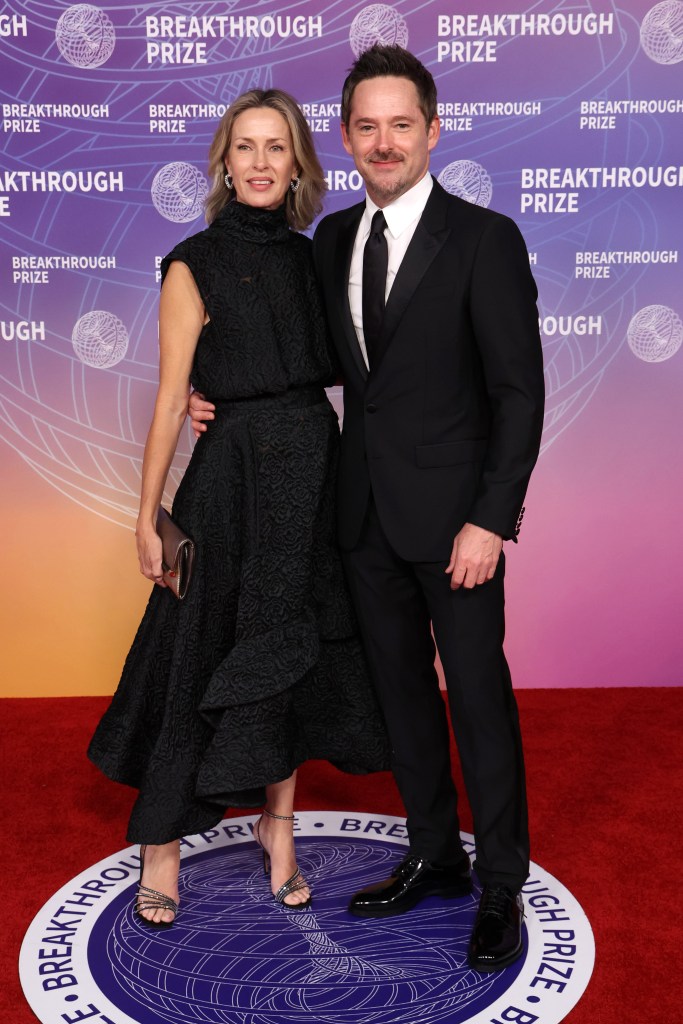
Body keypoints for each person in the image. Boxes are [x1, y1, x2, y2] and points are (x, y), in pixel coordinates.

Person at [190, 47, 545, 972]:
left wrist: (491, 518)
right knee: (401, 703)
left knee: (476, 699)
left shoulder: (483, 240)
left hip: (457, 524)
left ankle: (499, 878)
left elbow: (517, 394)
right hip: (359, 521)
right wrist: (208, 394)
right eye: (365, 125)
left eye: (400, 124)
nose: (383, 141)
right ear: (344, 139)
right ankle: (432, 855)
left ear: (432, 130)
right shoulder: (334, 242)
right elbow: (292, 357)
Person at [88, 88, 390, 927]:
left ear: (298, 161)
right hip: (229, 483)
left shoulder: (317, 256)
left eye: (277, 147)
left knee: (289, 651)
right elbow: (167, 398)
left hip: (312, 476)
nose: (260, 162)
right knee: (198, 652)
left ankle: (277, 829)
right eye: (245, 147)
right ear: (224, 162)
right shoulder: (192, 262)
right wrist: (146, 517)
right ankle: (160, 846)